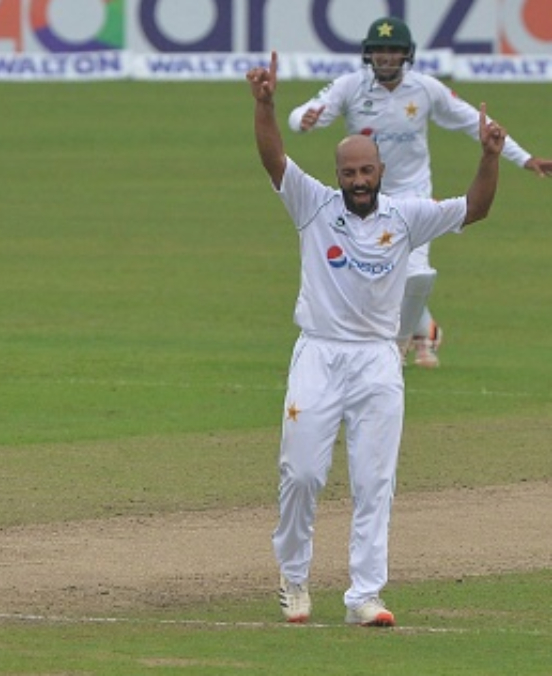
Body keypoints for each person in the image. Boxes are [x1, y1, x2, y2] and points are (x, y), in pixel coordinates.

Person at [246, 51, 505, 626]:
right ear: (337, 175)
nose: (358, 182)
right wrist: (266, 105)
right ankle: (293, 578)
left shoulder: (406, 215)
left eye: (366, 172)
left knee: (374, 482)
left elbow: (477, 209)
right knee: (303, 473)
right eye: (349, 174)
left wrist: (489, 158)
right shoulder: (312, 205)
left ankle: (365, 596)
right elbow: (274, 159)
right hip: (318, 352)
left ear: (380, 172)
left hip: (377, 361)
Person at [287, 16, 552, 368]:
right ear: (368, 55)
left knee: (414, 274)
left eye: (393, 51)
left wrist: (524, 158)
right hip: (364, 195)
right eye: (378, 51)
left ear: (406, 55)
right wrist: (303, 120)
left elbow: (479, 123)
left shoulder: (426, 88)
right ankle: (425, 328)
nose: (385, 58)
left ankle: (395, 347)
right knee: (371, 269)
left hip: (413, 196)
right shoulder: (352, 86)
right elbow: (305, 113)